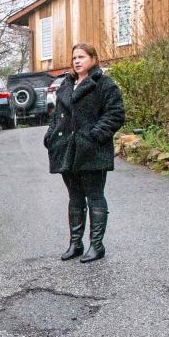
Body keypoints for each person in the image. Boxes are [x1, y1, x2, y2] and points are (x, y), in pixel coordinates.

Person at [44, 43, 125, 263]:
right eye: (74, 58)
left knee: (95, 196)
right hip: (67, 150)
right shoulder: (66, 84)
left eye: (81, 57)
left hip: (92, 150)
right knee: (75, 198)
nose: (77, 61)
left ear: (93, 58)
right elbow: (56, 116)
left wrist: (94, 136)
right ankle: (75, 244)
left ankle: (97, 246)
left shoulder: (104, 84)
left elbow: (116, 113)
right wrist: (50, 137)